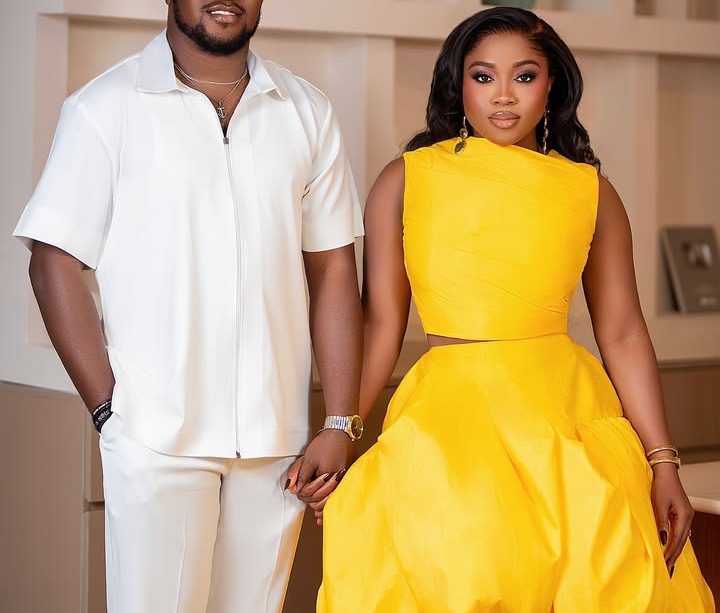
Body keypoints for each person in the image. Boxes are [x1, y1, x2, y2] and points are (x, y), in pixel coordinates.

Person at [315, 7, 714, 612]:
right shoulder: (405, 180)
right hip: (449, 424)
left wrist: (663, 462)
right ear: (457, 84)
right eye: (483, 76)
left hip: (566, 422)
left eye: (524, 76)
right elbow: (381, 325)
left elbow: (623, 332)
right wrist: (340, 430)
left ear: (552, 85)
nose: (503, 95)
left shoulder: (591, 191)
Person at [13, 1, 365, 611]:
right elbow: (53, 261)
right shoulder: (104, 107)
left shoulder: (306, 110)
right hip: (155, 435)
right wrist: (110, 413)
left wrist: (339, 421)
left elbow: (333, 267)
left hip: (274, 440)